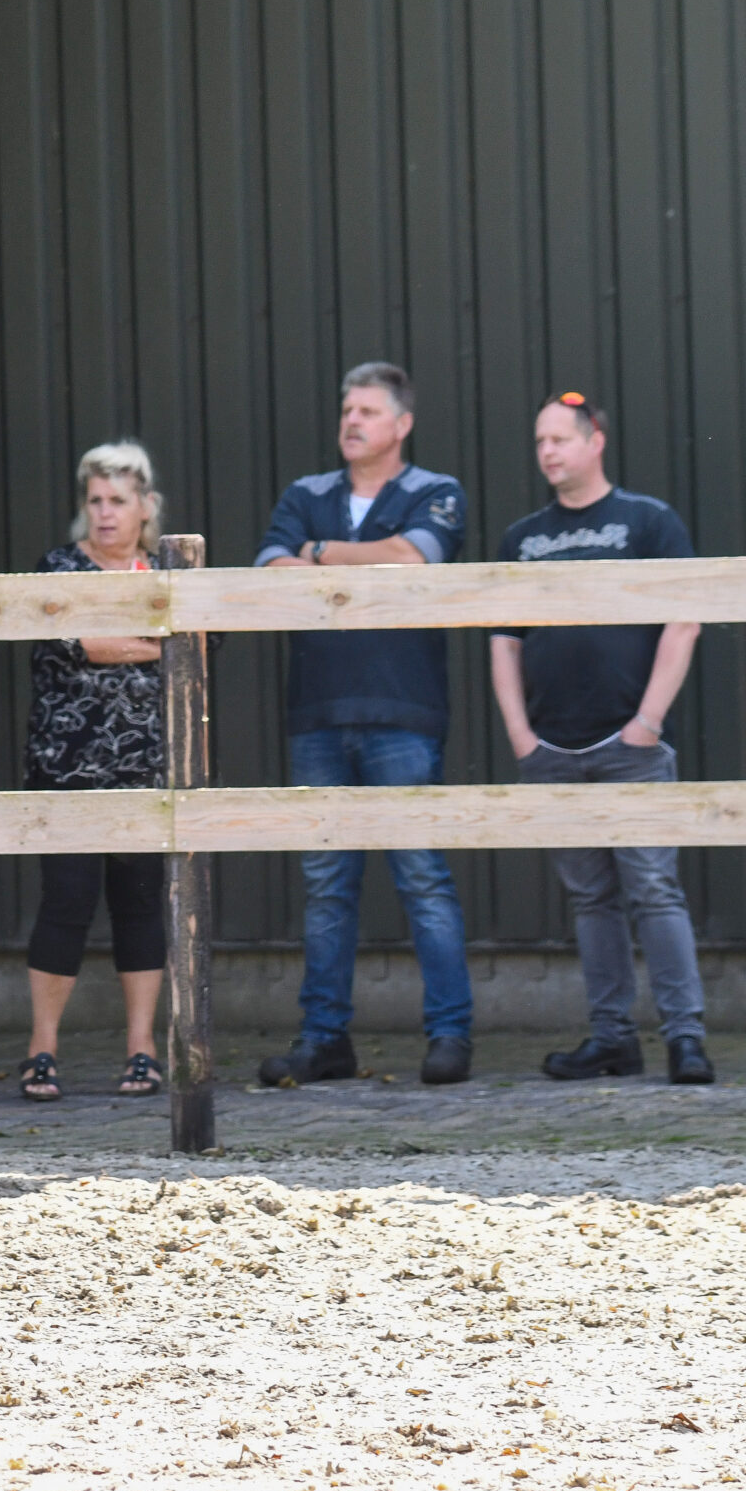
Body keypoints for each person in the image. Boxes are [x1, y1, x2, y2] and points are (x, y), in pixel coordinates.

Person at [254, 362, 476, 1088]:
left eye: (368, 411)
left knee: (423, 877)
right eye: (347, 409)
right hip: (317, 713)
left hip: (403, 712)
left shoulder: (437, 492)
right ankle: (324, 1041)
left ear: (402, 424)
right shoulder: (304, 494)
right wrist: (356, 562)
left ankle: (450, 1035)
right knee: (326, 885)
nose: (352, 421)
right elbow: (269, 569)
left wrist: (319, 554)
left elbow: (415, 559)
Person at [491, 392, 712, 1085]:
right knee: (591, 899)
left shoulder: (648, 521)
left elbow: (685, 621)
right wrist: (522, 737)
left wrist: (647, 724)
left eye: (559, 439)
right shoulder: (522, 539)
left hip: (631, 748)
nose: (547, 452)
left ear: (595, 442)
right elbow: (504, 642)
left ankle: (686, 1040)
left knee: (655, 890)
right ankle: (613, 1039)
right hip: (553, 751)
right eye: (540, 441)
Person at [12, 443, 172, 1102]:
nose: (105, 513)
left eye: (118, 501)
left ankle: (143, 1049)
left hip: (147, 770)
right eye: (95, 500)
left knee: (140, 906)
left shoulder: (167, 570)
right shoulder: (59, 568)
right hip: (67, 769)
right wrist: (147, 644)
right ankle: (41, 1049)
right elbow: (63, 642)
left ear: (145, 507)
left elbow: (202, 640)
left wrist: (101, 644)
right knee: (67, 902)